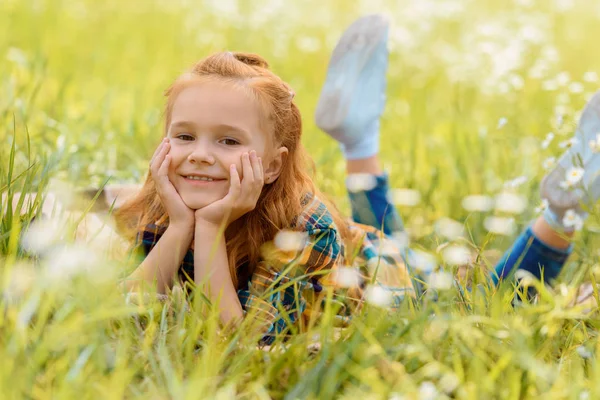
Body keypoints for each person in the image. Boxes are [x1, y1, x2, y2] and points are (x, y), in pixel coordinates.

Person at [116, 15, 600, 344]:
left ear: (271, 165)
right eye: (184, 136)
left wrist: (211, 229)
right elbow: (126, 316)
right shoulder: (170, 203)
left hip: (394, 295)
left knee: (484, 310)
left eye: (227, 142)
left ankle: (564, 204)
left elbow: (236, 347)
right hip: (371, 248)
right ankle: (359, 142)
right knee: (389, 242)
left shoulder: (304, 232)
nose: (199, 156)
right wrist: (182, 226)